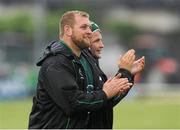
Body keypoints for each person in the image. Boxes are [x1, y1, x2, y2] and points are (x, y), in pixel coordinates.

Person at [28, 10, 134, 129]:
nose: (89, 31)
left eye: (89, 27)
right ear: (68, 30)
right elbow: (73, 103)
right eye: (84, 27)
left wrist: (127, 74)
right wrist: (105, 93)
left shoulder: (86, 60)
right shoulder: (55, 63)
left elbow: (100, 103)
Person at [82, 21, 145, 128]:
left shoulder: (92, 64)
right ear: (85, 42)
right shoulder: (81, 67)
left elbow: (106, 102)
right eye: (96, 41)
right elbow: (87, 104)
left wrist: (128, 74)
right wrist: (124, 71)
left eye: (101, 40)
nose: (102, 45)